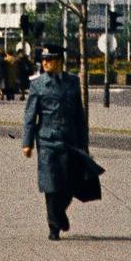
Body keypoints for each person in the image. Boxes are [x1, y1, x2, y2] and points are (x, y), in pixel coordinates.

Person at [22, 43, 100, 240]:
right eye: (44, 60)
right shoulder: (37, 84)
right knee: (51, 183)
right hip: (47, 140)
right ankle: (54, 226)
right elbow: (30, 116)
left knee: (68, 184)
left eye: (50, 59)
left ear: (60, 62)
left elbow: (79, 116)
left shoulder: (73, 82)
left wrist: (84, 144)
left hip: (70, 139)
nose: (45, 63)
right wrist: (27, 142)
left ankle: (59, 213)